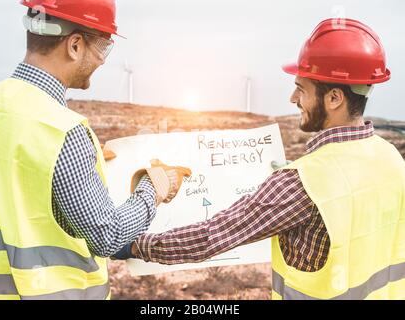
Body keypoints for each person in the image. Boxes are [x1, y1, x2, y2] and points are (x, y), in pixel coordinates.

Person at [115, 18, 405, 300]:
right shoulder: (391, 159)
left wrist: (135, 246)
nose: (293, 98)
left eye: (301, 88)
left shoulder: (302, 183)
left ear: (334, 98)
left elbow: (211, 236)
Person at [0, 0, 190, 300]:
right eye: (102, 46)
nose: (102, 60)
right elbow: (107, 235)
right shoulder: (62, 130)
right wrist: (153, 188)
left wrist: (84, 163)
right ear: (74, 45)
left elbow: (7, 175)